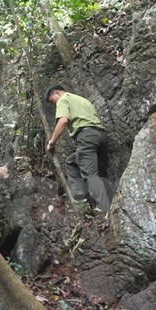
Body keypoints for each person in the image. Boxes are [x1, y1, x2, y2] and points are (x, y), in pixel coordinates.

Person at [45, 84, 114, 213]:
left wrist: (52, 142)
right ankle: (83, 201)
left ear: (58, 93)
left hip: (86, 137)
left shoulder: (63, 99)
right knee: (71, 162)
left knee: (91, 175)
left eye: (54, 101)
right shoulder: (83, 100)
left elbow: (63, 121)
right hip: (100, 136)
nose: (56, 104)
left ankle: (105, 211)